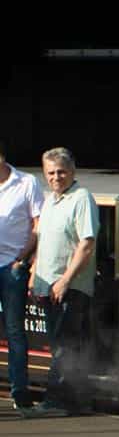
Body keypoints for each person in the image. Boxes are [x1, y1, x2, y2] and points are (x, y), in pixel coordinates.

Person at [27, 149, 96, 415]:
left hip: (69, 286)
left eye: (61, 172)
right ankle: (76, 402)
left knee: (64, 346)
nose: (56, 177)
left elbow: (86, 244)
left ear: (73, 171)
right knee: (59, 344)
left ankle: (57, 403)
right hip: (48, 285)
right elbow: (43, 240)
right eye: (51, 173)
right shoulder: (49, 200)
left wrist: (66, 280)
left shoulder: (81, 198)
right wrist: (34, 274)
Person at [0, 145, 43, 417]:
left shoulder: (27, 182)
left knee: (15, 330)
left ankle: (20, 391)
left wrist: (24, 260)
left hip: (12, 266)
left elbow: (38, 224)